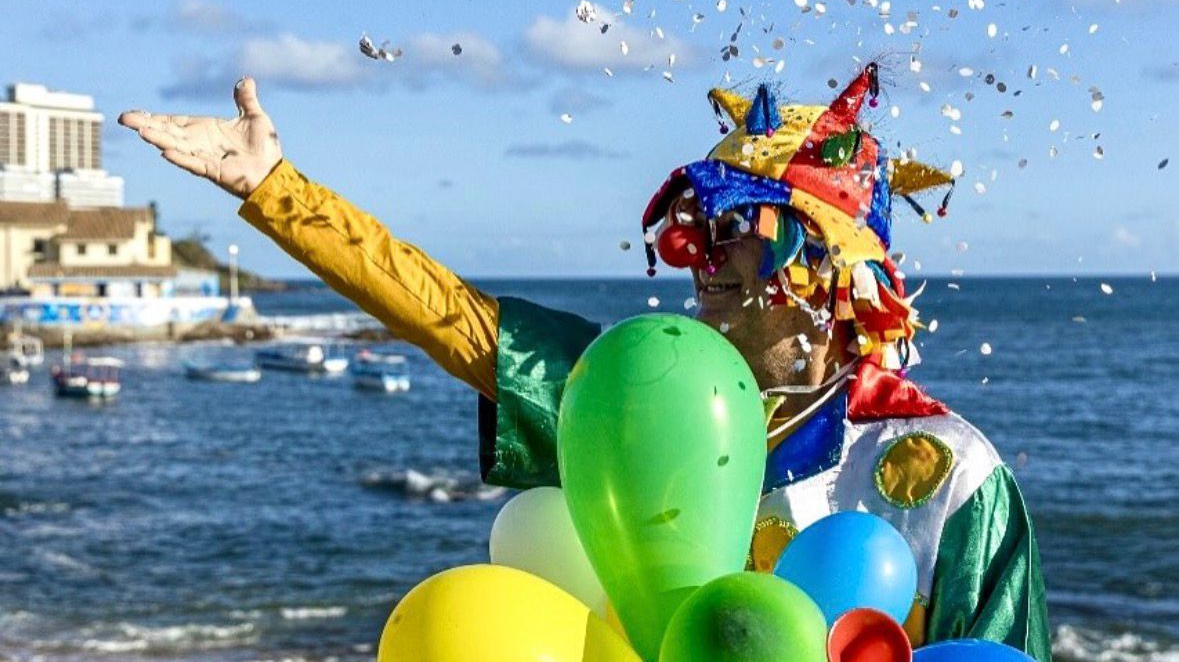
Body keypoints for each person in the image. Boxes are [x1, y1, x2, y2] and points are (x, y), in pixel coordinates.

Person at [119, 64, 1050, 659]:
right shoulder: (639, 398)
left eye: (744, 234)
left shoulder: (944, 475)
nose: (705, 261)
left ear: (833, 274)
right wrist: (275, 192)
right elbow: (456, 320)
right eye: (697, 232)